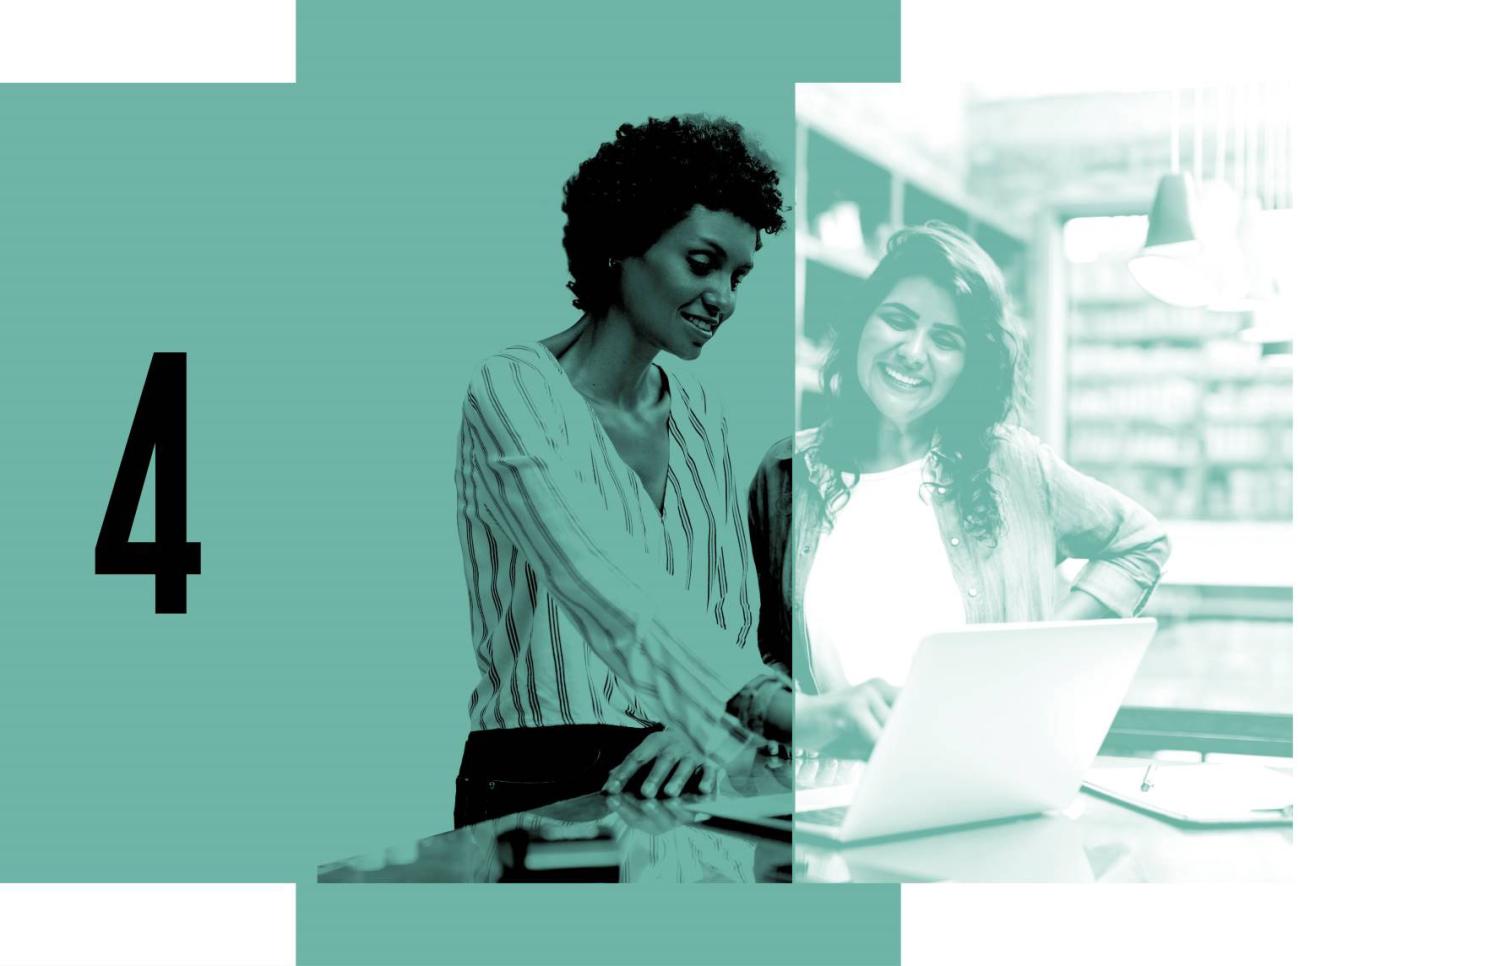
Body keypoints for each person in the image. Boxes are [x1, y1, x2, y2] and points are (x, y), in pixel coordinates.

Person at [453, 115, 881, 828]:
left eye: (739, 276)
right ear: (623, 243)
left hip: (677, 770)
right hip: (537, 780)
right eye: (703, 262)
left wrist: (708, 731)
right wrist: (772, 709)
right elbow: (602, 577)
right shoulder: (512, 390)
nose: (725, 298)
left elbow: (727, 613)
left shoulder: (700, 412)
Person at [749, 222, 1170, 710]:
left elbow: (1141, 544)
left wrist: (1047, 647)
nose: (912, 353)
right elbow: (757, 644)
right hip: (832, 781)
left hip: (982, 774)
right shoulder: (786, 471)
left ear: (970, 364)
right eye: (899, 319)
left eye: (945, 340)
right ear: (864, 322)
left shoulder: (1013, 465)